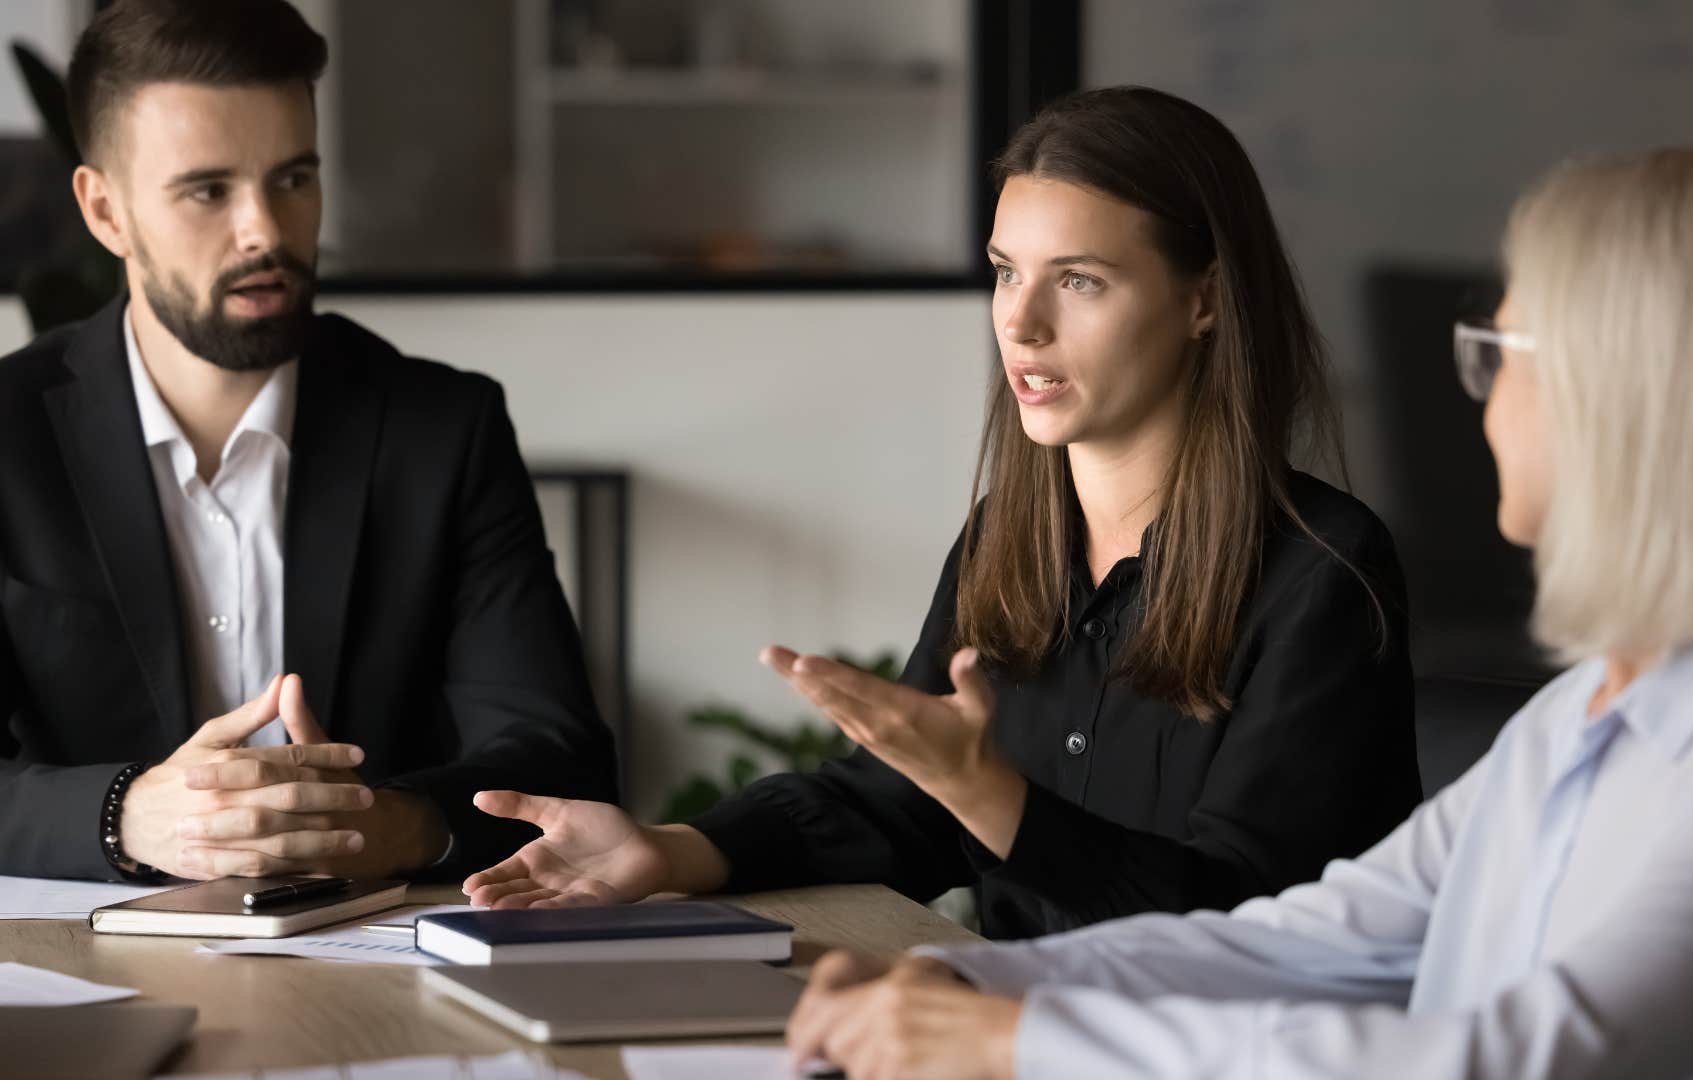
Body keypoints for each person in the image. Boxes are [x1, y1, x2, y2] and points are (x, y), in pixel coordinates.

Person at [776, 144, 1693, 1079]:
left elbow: (1517, 1060)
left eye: (1500, 352)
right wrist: (974, 984)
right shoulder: (1595, 712)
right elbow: (1304, 943)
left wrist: (1024, 1036)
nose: (1481, 400)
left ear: (1638, 395)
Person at [463, 86, 1421, 939]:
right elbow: (900, 808)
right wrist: (670, 851)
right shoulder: (1009, 536)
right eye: (1008, 271)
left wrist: (990, 797)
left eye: (1078, 280)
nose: (1020, 321)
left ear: (1204, 300)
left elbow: (1250, 918)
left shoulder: (1324, 572)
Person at [0, 0, 615, 883]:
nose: (264, 231)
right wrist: (126, 816)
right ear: (105, 212)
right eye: (209, 190)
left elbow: (562, 763)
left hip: (372, 966)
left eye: (293, 179)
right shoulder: (9, 436)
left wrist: (382, 824)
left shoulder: (442, 431)